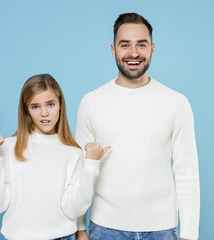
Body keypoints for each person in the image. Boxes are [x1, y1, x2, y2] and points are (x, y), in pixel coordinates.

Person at [75, 13, 200, 240]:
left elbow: (187, 172)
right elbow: (80, 170)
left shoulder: (176, 103)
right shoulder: (91, 102)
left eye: (141, 45)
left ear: (152, 48)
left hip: (162, 230)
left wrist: (189, 234)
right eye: (125, 45)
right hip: (105, 228)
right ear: (113, 50)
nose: (134, 53)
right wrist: (79, 227)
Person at [0, 74, 110, 240]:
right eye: (35, 107)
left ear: (60, 105)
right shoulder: (8, 147)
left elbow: (74, 209)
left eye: (50, 104)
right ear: (26, 110)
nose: (44, 113)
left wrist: (91, 165)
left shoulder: (73, 153)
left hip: (63, 236)